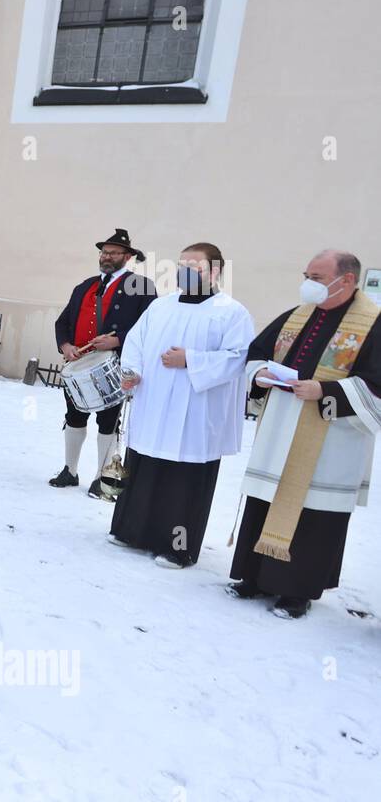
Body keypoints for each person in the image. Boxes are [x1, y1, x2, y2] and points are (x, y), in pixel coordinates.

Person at [228, 250, 381, 618]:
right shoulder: (298, 316)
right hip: (282, 427)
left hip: (332, 435)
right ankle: (254, 576)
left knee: (314, 513)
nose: (307, 282)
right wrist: (260, 374)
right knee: (267, 500)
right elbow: (257, 352)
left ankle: (296, 591)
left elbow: (376, 385)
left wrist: (326, 392)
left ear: (346, 280)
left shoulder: (373, 325)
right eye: (306, 274)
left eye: (316, 276)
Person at [109, 243, 254, 567]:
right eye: (181, 264)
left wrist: (191, 359)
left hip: (195, 412)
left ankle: (178, 547)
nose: (184, 271)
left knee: (183, 481)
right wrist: (131, 371)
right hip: (154, 405)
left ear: (215, 272)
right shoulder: (162, 306)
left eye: (194, 266)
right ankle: (131, 532)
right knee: (145, 468)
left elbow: (238, 358)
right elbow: (135, 340)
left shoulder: (231, 312)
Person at [51, 228, 157, 497]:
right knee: (74, 417)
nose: (106, 257)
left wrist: (117, 340)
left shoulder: (142, 287)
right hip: (79, 366)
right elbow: (63, 322)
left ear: (127, 256)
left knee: (108, 422)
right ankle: (70, 471)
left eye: (113, 253)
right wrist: (66, 345)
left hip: (114, 365)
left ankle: (103, 478)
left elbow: (151, 328)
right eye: (103, 252)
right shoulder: (85, 286)